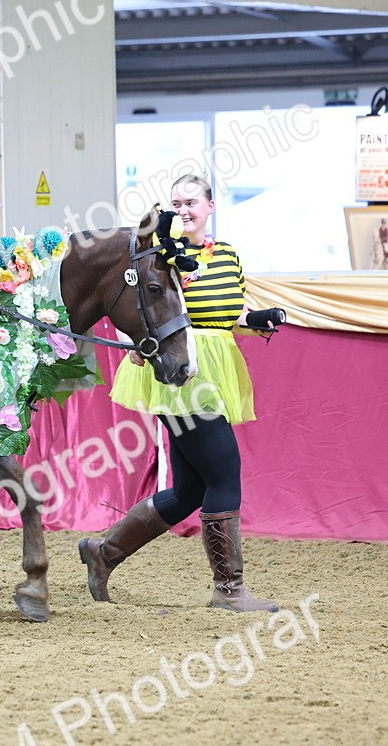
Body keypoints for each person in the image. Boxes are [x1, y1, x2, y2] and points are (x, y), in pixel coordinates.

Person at [78, 174, 280, 613]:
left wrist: (258, 318)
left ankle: (104, 552)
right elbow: (137, 305)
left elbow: (231, 313)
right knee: (224, 473)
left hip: (217, 367)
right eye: (177, 203)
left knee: (190, 489)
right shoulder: (162, 254)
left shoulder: (227, 255)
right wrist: (137, 344)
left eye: (191, 202)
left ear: (210, 206)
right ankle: (229, 590)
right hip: (182, 369)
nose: (184, 210)